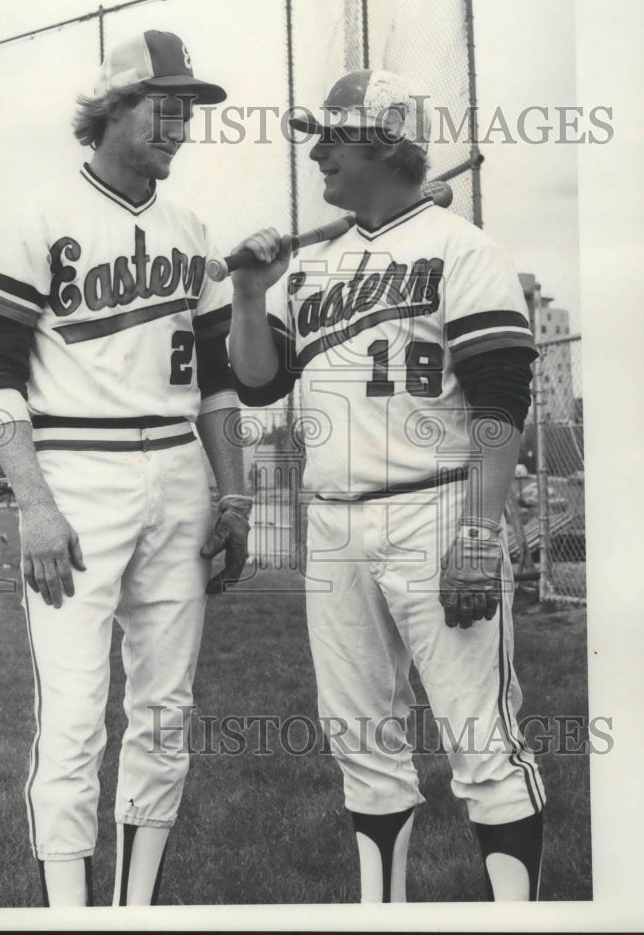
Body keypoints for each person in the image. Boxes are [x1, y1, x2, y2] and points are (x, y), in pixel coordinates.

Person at [228, 70, 545, 903]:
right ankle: (382, 914)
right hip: (332, 522)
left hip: (437, 505)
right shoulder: (316, 264)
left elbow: (502, 400)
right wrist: (250, 295)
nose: (317, 150)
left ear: (387, 144)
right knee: (361, 746)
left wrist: (479, 531)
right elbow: (259, 385)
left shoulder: (465, 249)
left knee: (482, 741)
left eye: (335, 136)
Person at [0, 30, 251, 907]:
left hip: (177, 474)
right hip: (76, 473)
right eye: (164, 104)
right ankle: (69, 917)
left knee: (165, 715)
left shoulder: (190, 228)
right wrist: (34, 505)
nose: (180, 123)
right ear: (110, 109)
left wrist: (234, 494)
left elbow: (217, 383)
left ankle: (135, 911)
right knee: (78, 717)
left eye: (189, 109)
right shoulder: (38, 213)